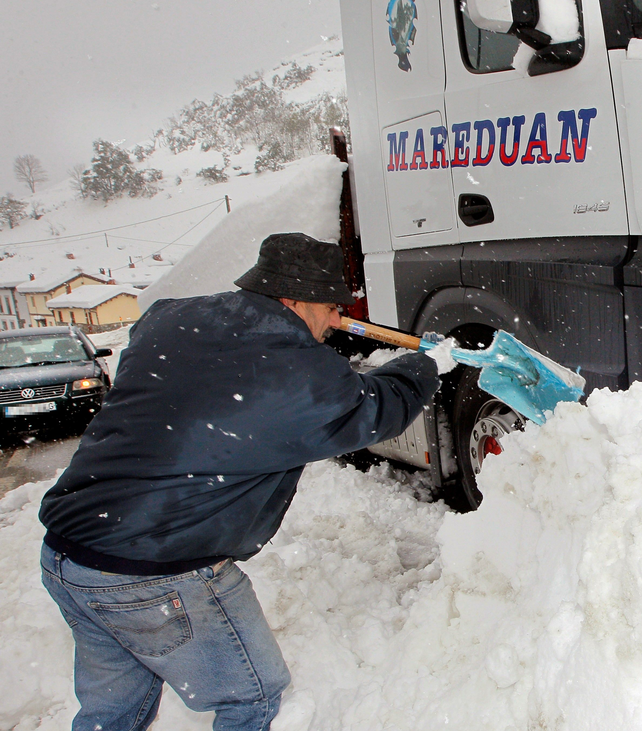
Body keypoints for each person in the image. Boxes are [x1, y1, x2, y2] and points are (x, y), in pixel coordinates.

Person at [38, 233, 447, 731]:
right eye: (330, 308)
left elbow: (191, 370)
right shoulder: (295, 371)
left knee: (113, 714)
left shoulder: (170, 317)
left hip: (70, 557)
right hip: (153, 570)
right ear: (293, 299)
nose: (338, 320)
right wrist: (427, 364)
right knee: (251, 700)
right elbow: (371, 409)